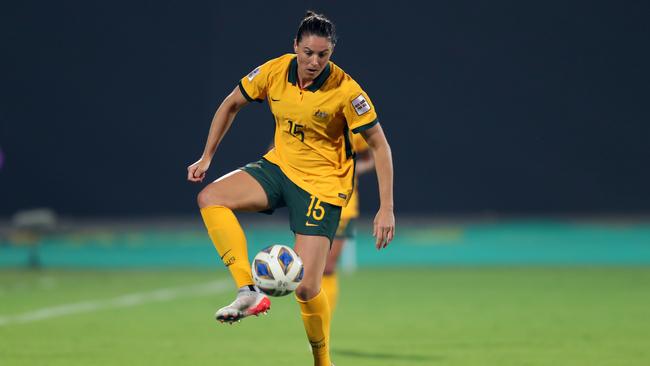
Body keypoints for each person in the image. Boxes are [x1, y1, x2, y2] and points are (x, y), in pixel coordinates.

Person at [187, 11, 394, 366]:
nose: (314, 61)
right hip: (280, 168)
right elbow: (230, 103)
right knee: (211, 197)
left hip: (323, 189)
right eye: (308, 52)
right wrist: (207, 156)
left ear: (331, 53)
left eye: (323, 54)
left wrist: (386, 207)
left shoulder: (347, 91)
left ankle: (322, 360)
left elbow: (380, 146)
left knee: (308, 288)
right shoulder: (274, 71)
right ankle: (248, 291)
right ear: (295, 46)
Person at [321, 132, 374, 315]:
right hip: (310, 200)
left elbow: (371, 159)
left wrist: (352, 170)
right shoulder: (306, 117)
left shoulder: (355, 129)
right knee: (310, 269)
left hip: (344, 205)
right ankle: (313, 324)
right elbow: (276, 148)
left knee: (327, 267)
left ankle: (322, 326)